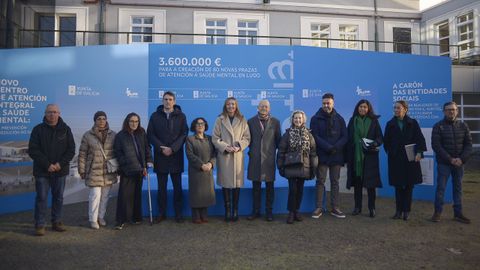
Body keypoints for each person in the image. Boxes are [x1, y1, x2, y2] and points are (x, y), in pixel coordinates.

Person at [28, 104, 75, 236]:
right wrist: (47, 164)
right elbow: (33, 150)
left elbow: (71, 150)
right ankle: (40, 224)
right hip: (42, 171)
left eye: (55, 112)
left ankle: (57, 221)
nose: (52, 114)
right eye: (49, 112)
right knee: (41, 198)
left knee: (58, 197)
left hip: (60, 171)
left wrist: (60, 164)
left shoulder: (66, 129)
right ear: (45, 113)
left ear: (59, 113)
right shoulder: (38, 129)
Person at [147, 91, 188, 223]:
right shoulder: (154, 116)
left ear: (174, 101)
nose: (168, 102)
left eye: (170, 99)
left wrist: (173, 148)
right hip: (161, 157)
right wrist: (161, 148)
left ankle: (178, 213)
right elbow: (151, 135)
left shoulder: (181, 116)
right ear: (162, 101)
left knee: (178, 188)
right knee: (161, 189)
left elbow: (184, 134)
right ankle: (161, 213)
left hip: (176, 157)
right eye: (165, 99)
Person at [384, 101, 426, 221]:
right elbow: (386, 142)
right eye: (395, 108)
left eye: (399, 108)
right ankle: (398, 211)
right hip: (396, 160)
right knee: (398, 186)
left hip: (410, 159)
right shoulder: (390, 124)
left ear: (405, 109)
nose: (396, 110)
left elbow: (420, 139)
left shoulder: (413, 123)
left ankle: (406, 211)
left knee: (408, 186)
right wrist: (392, 152)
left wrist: (419, 152)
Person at [431, 101, 472, 224]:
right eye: (448, 110)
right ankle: (437, 213)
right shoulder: (438, 126)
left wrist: (461, 159)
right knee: (441, 188)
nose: (451, 111)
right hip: (444, 163)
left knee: (458, 188)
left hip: (459, 163)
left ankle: (458, 214)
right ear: (444, 111)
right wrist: (450, 159)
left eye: (453, 109)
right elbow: (436, 146)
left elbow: (468, 145)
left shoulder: (463, 126)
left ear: (457, 111)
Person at [310, 93, 348, 219]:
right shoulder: (315, 118)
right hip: (322, 155)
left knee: (335, 181)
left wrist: (336, 147)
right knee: (320, 181)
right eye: (324, 103)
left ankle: (335, 207)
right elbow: (315, 136)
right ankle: (319, 207)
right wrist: (328, 147)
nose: (326, 105)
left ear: (333, 103)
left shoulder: (340, 119)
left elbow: (345, 136)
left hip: (336, 155)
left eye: (328, 103)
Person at [212, 97, 251, 222]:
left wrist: (239, 146)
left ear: (236, 106)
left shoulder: (242, 119)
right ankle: (227, 211)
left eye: (233, 104)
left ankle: (235, 210)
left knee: (236, 184)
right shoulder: (220, 119)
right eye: (228, 104)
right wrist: (225, 146)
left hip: (237, 156)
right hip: (225, 156)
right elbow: (215, 138)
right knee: (226, 183)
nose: (230, 106)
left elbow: (247, 138)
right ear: (225, 106)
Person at [78, 111, 117, 229]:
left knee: (105, 196)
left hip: (108, 171)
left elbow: (117, 152)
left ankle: (101, 217)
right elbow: (82, 154)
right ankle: (93, 219)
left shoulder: (113, 135)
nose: (101, 121)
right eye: (99, 118)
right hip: (94, 171)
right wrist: (82, 170)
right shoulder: (87, 135)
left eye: (104, 118)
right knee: (95, 195)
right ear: (94, 120)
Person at [277, 110, 318, 224]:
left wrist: (313, 168)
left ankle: (296, 211)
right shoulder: (287, 134)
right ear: (292, 120)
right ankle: (290, 212)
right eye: (296, 118)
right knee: (292, 190)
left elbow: (313, 153)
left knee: (300, 190)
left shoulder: (309, 135)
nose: (298, 120)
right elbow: (281, 151)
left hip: (304, 167)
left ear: (303, 120)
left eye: (300, 118)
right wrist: (280, 166)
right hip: (291, 167)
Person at [114, 113, 152, 230]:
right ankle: (121, 221)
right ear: (127, 122)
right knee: (124, 196)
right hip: (127, 170)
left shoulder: (141, 133)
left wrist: (148, 163)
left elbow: (147, 148)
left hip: (140, 170)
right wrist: (125, 164)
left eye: (136, 121)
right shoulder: (121, 135)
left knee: (136, 195)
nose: (134, 124)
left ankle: (136, 218)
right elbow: (118, 153)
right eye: (131, 121)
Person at [346, 99, 383, 218]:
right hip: (355, 158)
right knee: (357, 185)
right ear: (357, 108)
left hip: (370, 157)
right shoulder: (352, 121)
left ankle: (372, 208)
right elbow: (348, 138)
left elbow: (380, 138)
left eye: (365, 107)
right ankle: (357, 208)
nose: (362, 109)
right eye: (361, 107)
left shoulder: (374, 121)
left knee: (370, 185)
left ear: (369, 109)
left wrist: (373, 143)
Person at [246, 100, 281, 221]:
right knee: (256, 187)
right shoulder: (250, 122)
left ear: (269, 108)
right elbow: (247, 140)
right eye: (262, 106)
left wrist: (270, 152)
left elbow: (278, 141)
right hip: (255, 159)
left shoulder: (276, 122)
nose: (264, 108)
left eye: (266, 107)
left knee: (269, 187)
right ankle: (255, 211)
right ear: (257, 108)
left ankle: (269, 212)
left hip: (269, 160)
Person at [185, 118, 216, 224]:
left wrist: (211, 164)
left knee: (205, 193)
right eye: (198, 124)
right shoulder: (190, 139)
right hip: (196, 170)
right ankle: (196, 216)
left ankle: (204, 215)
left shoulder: (210, 139)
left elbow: (214, 154)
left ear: (205, 125)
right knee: (196, 192)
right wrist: (201, 165)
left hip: (208, 169)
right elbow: (190, 155)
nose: (200, 125)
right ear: (194, 126)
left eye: (202, 123)